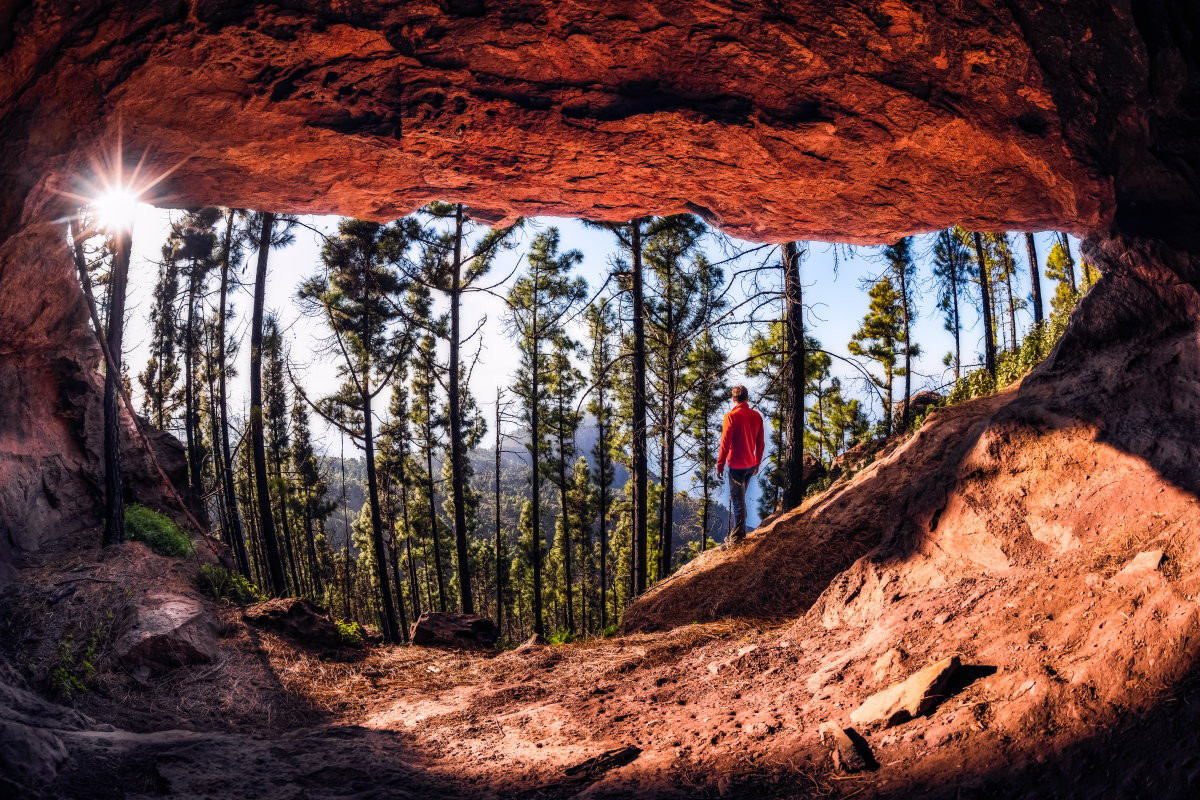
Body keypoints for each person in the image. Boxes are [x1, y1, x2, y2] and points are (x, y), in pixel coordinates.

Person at [716, 385, 764, 546]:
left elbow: (724, 444)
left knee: (738, 500)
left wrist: (720, 465)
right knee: (740, 497)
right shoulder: (756, 416)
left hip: (736, 467)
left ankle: (737, 537)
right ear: (747, 398)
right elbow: (761, 444)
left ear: (733, 399)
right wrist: (757, 462)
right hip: (750, 466)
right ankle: (739, 532)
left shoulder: (731, 416)